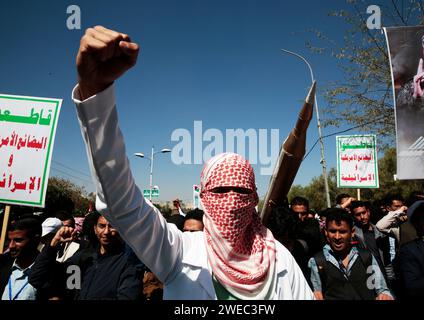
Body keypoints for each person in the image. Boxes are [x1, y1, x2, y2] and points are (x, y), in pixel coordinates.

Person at [71, 25, 314, 300]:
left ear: (254, 197)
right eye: (221, 191)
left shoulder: (279, 260)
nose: (232, 200)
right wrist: (95, 96)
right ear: (205, 197)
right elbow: (120, 202)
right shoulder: (179, 252)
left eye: (242, 191)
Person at [29, 212, 143, 300]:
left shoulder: (129, 262)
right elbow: (37, 279)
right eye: (102, 226)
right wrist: (54, 243)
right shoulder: (83, 259)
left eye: (112, 226)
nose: (106, 232)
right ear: (95, 229)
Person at [308, 208, 393, 300]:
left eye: (342, 232)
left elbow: (381, 289)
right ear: (326, 232)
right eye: (332, 231)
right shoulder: (317, 262)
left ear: (352, 232)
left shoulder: (366, 257)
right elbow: (317, 293)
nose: (337, 237)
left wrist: (384, 295)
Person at [1, 217, 42, 300]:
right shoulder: (2, 264)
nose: (11, 246)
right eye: (9, 240)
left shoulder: (50, 271)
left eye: (18, 240)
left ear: (35, 240)